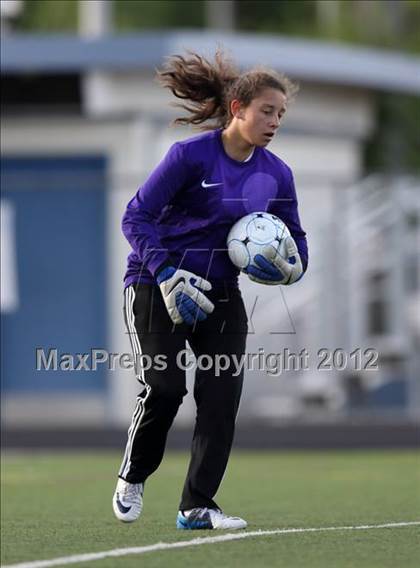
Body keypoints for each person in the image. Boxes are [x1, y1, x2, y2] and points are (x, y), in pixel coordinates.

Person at [112, 50, 308, 530]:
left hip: (220, 293)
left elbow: (296, 241)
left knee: (222, 398)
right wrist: (165, 274)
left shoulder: (277, 173)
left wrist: (290, 266)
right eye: (267, 110)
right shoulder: (188, 156)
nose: (275, 121)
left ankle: (196, 505)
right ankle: (133, 476)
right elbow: (134, 217)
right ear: (238, 108)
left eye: (280, 113)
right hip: (156, 284)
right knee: (165, 388)